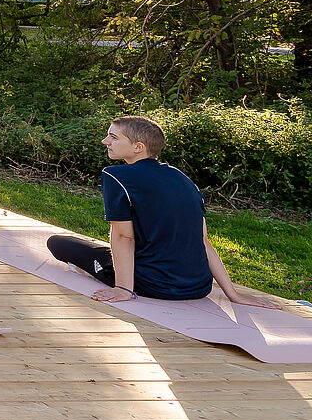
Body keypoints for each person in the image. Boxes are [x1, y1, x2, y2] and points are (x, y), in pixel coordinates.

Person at [47, 116, 282, 308]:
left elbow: (123, 237)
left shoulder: (116, 175)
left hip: (153, 285)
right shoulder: (183, 179)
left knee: (58, 243)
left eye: (113, 137)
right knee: (105, 248)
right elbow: (203, 240)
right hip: (199, 287)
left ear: (138, 147)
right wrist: (233, 294)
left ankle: (110, 276)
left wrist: (123, 289)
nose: (104, 141)